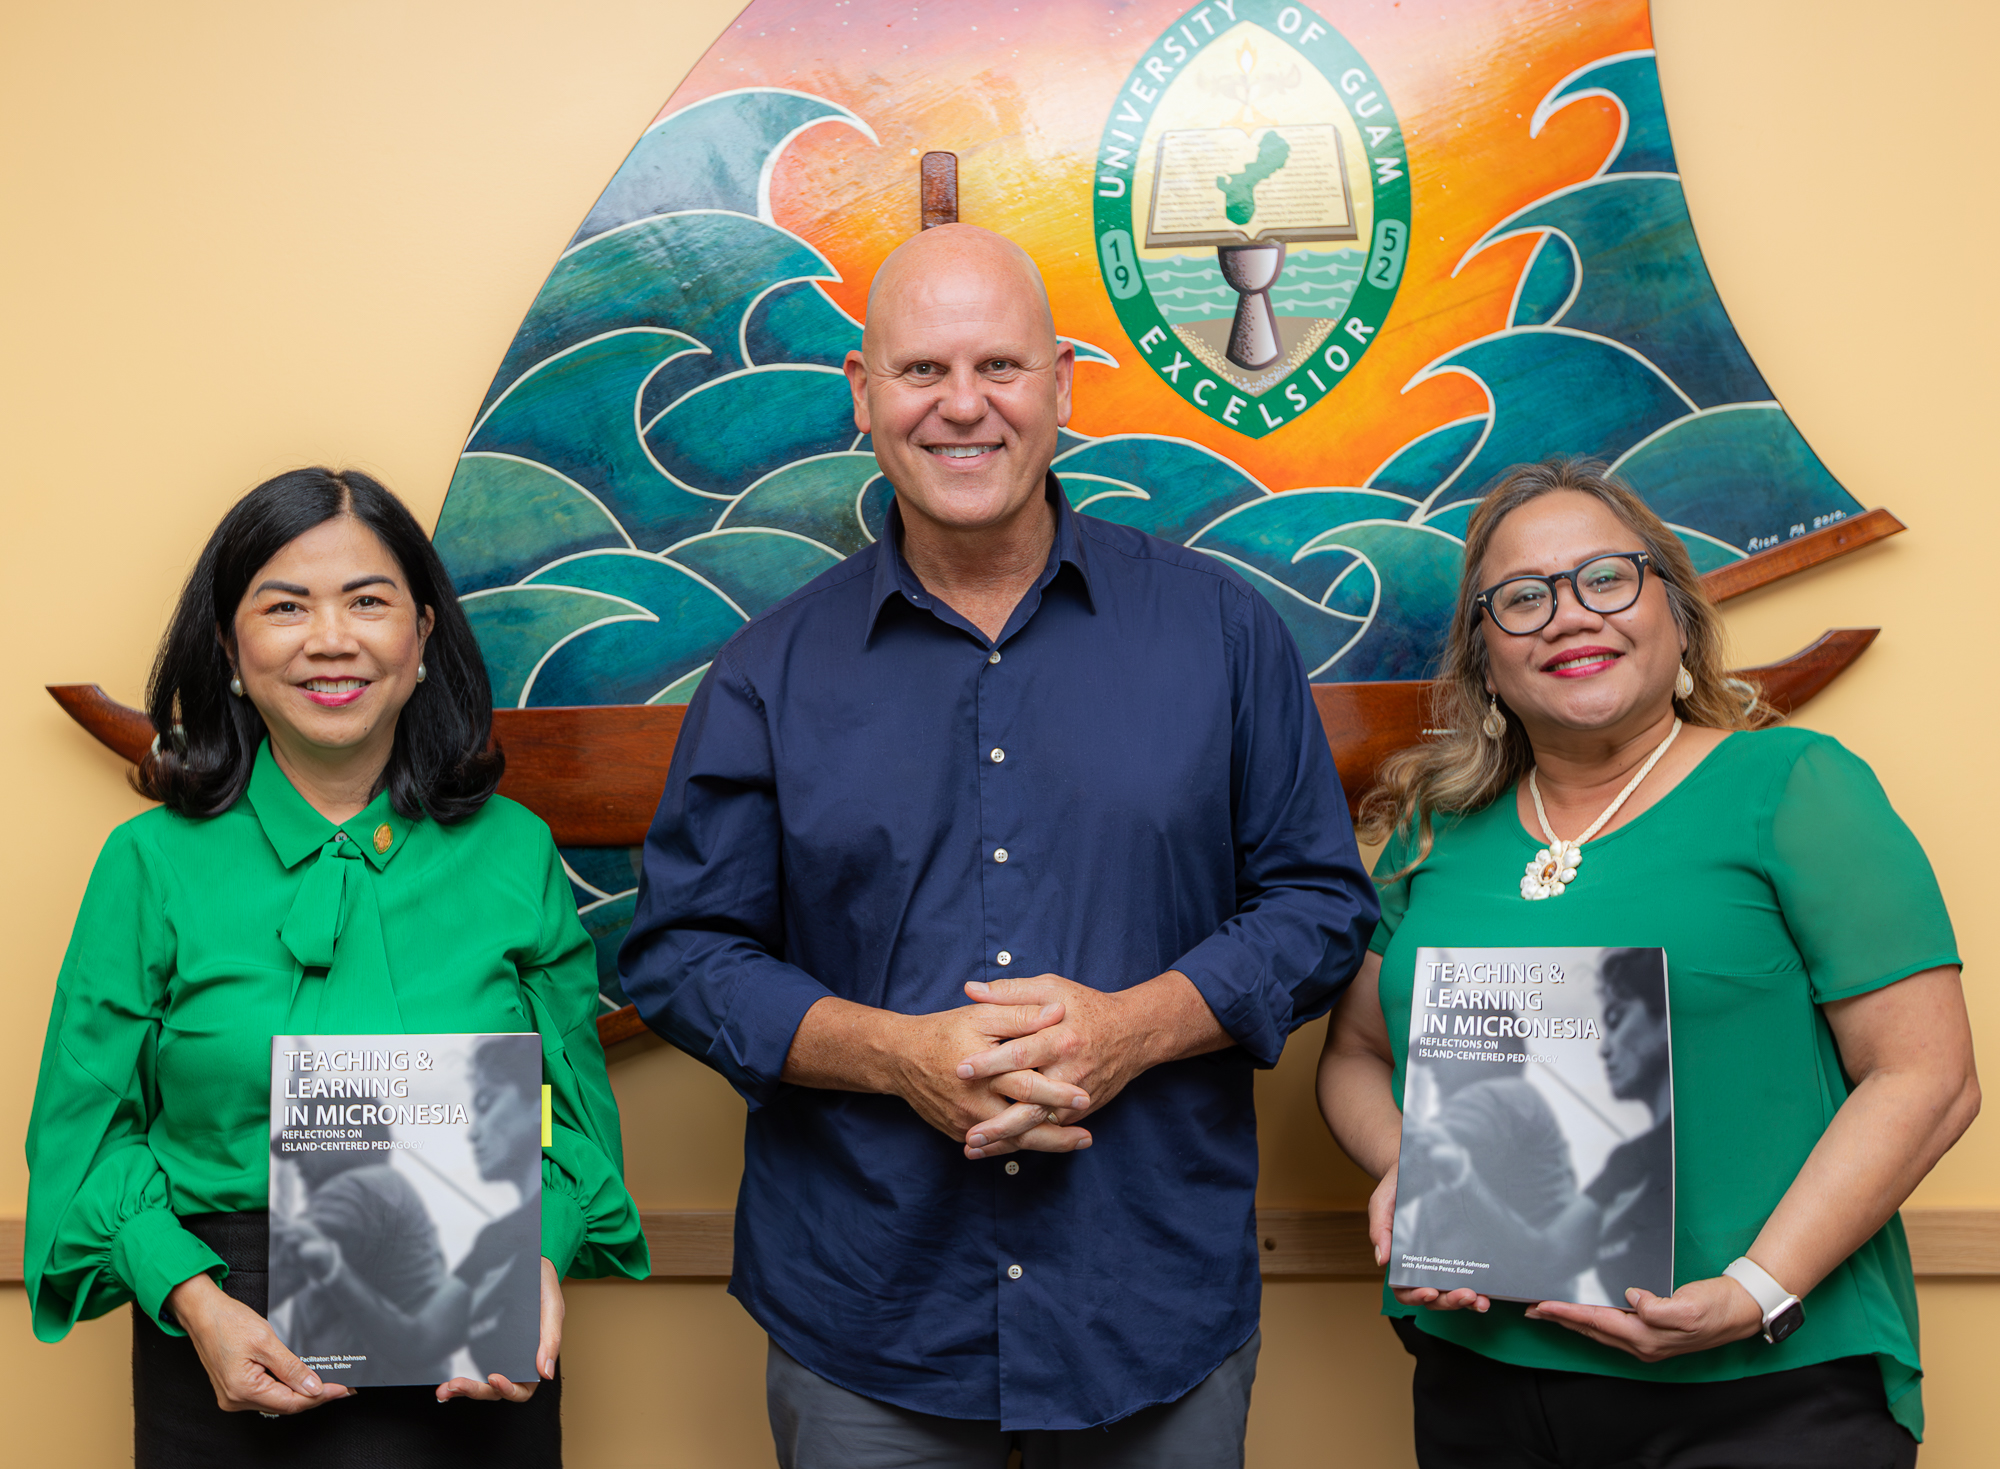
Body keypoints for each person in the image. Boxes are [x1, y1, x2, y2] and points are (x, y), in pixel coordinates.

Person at [619, 224, 1377, 1466]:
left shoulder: (1222, 635)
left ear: (1063, 384)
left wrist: (1134, 1026)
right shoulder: (766, 674)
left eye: (1000, 367)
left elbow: (1316, 904)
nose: (962, 406)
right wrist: (892, 1053)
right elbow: (685, 952)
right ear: (862, 395)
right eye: (920, 371)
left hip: (1148, 1301)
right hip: (868, 1311)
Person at [1316, 457, 1979, 1469]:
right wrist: (1413, 1168)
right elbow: (1354, 1056)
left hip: (1762, 1388)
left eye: (1606, 578)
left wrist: (1756, 1285)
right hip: (1482, 1374)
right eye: (1522, 597)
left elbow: (1925, 1076)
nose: (1568, 615)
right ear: (1483, 660)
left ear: (1675, 617)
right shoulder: (1429, 831)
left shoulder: (1794, 785)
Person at [24, 467, 649, 1468]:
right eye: (285, 606)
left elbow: (569, 1118)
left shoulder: (513, 851)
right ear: (229, 645)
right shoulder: (147, 863)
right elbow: (86, 1136)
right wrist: (195, 1298)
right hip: (223, 1346)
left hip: (475, 1345)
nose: (330, 638)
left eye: (368, 601)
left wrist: (533, 1255)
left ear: (424, 635)